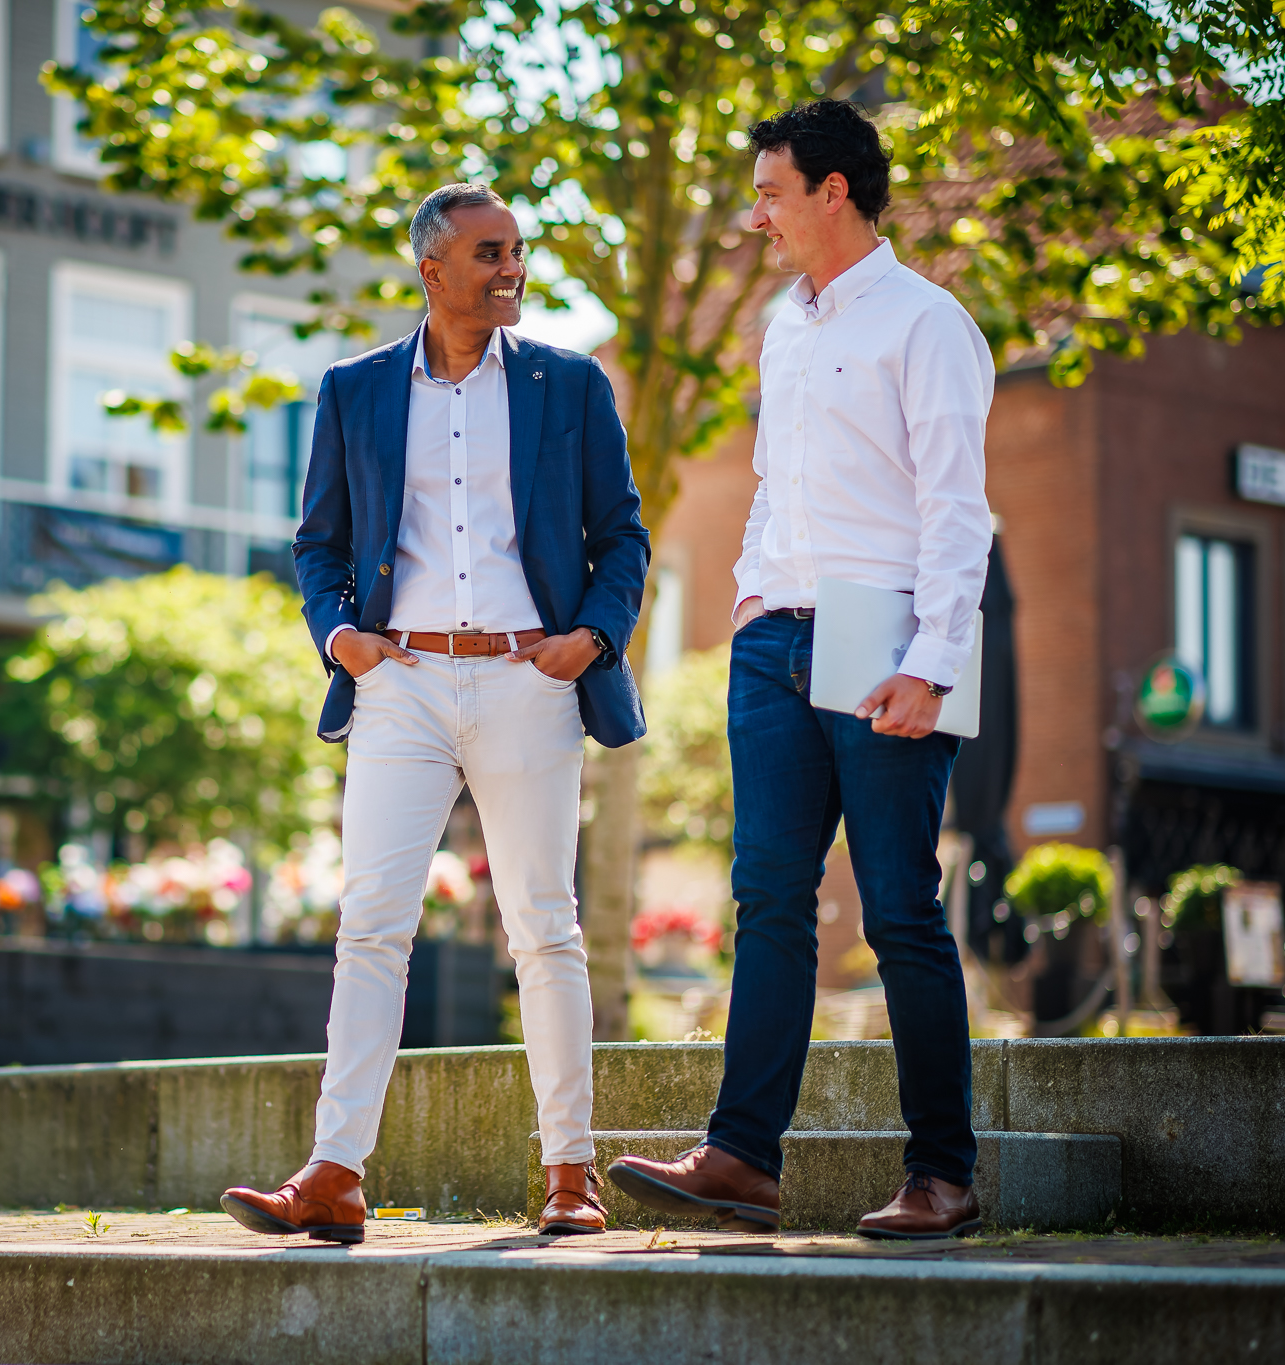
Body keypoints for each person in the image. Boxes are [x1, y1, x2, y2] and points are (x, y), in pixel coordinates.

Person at [220, 182, 650, 1243]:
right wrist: (340, 637)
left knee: (543, 929)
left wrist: (587, 640)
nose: (510, 268)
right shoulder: (353, 389)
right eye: (489, 253)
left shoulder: (568, 385)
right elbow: (317, 543)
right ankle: (332, 1175)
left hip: (527, 680)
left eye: (515, 250)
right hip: (398, 683)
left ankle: (568, 1174)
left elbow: (622, 537)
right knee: (369, 927)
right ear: (431, 269)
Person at [607, 99, 994, 1240]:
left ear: (833, 191)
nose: (756, 214)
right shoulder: (783, 323)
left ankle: (942, 1174)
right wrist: (745, 592)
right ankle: (739, 1159)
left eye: (771, 192)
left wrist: (931, 664)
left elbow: (956, 515)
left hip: (886, 642)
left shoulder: (927, 324)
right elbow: (775, 479)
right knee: (767, 900)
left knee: (895, 912)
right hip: (772, 641)